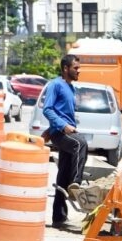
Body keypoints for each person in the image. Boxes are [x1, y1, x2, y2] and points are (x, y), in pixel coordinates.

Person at [42, 54, 88, 229]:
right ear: (65, 69)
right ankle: (76, 183)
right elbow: (47, 109)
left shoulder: (71, 88)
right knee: (80, 143)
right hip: (61, 133)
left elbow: (61, 111)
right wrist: (61, 126)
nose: (79, 71)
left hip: (63, 131)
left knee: (62, 174)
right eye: (76, 68)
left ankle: (59, 217)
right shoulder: (55, 85)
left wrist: (53, 128)